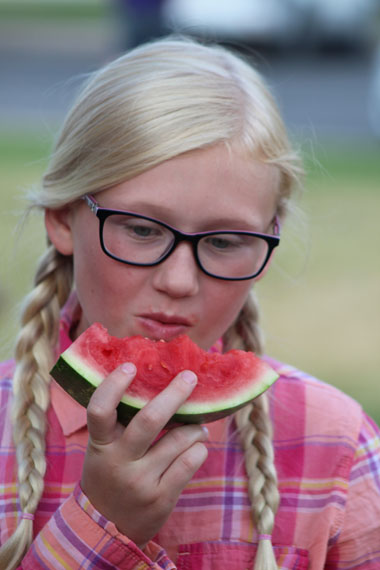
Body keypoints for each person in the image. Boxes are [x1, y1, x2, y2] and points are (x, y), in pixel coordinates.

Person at [0, 36, 379, 570]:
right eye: (140, 229)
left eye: (224, 242)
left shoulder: (336, 448)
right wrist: (100, 526)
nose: (179, 281)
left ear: (269, 243)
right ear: (63, 218)